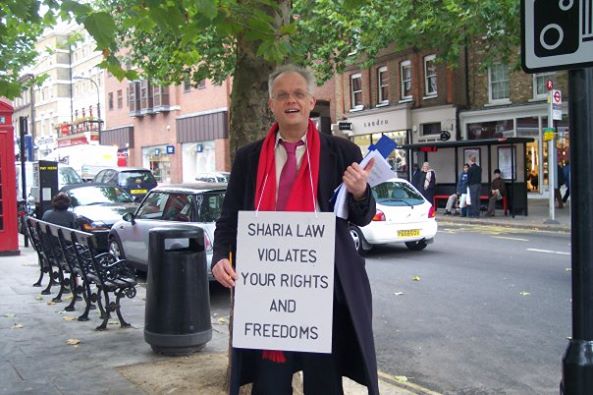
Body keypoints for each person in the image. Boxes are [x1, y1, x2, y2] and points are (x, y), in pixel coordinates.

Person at [211, 64, 379, 395]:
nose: (291, 101)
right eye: (283, 95)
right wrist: (219, 257)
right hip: (268, 293)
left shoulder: (342, 152)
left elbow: (363, 217)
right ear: (271, 104)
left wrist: (360, 192)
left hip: (324, 290)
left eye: (298, 94)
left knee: (324, 385)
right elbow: (229, 217)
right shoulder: (248, 158)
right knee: (270, 386)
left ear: (311, 101)